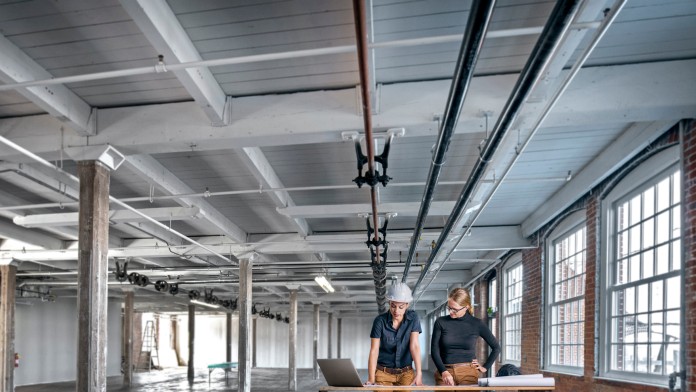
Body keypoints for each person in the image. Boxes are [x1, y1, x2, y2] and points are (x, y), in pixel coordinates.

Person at [431, 287, 500, 388]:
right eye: (449, 308)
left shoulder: (477, 324)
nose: (450, 312)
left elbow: (496, 347)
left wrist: (485, 367)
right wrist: (443, 371)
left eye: (455, 309)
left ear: (466, 307)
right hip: (445, 371)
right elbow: (434, 350)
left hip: (468, 371)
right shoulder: (441, 322)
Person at [366, 282, 423, 388]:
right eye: (393, 306)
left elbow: (414, 346)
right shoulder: (380, 321)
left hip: (406, 374)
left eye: (401, 307)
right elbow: (374, 350)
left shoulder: (413, 318)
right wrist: (371, 378)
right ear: (389, 302)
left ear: (407, 305)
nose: (396, 311)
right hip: (383, 374)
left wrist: (419, 372)